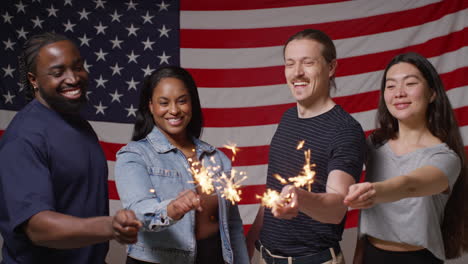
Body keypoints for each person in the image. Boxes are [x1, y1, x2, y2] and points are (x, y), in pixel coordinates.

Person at [0, 32, 142, 264]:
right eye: (58, 73)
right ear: (33, 79)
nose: (73, 78)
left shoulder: (77, 123)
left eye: (78, 67)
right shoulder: (24, 138)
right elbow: (38, 228)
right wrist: (110, 226)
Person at [246, 29, 366, 264]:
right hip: (266, 257)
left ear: (331, 68)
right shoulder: (288, 118)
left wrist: (299, 198)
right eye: (290, 64)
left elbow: (336, 208)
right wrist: (251, 239)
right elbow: (274, 189)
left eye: (308, 63)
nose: (297, 72)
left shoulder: (345, 130)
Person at [114, 66, 249, 264]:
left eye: (182, 101)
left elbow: (233, 225)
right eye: (164, 103)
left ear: (191, 103)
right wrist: (172, 209)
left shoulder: (217, 159)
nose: (174, 110)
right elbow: (138, 211)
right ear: (151, 106)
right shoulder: (134, 155)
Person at [344, 52, 468, 263]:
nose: (399, 93)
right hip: (371, 255)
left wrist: (374, 191)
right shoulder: (374, 144)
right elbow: (370, 217)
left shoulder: (445, 157)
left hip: (419, 258)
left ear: (432, 93)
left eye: (410, 83)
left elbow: (410, 185)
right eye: (390, 86)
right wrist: (358, 257)